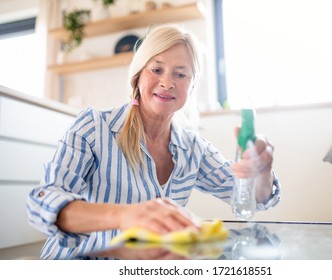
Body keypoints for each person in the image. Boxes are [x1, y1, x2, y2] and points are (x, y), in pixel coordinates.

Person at [26, 24, 280, 260]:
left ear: (191, 87)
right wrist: (125, 216)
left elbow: (250, 197)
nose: (167, 82)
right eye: (156, 70)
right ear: (137, 75)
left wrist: (262, 170)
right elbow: (42, 202)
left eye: (180, 74)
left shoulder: (193, 148)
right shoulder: (94, 127)